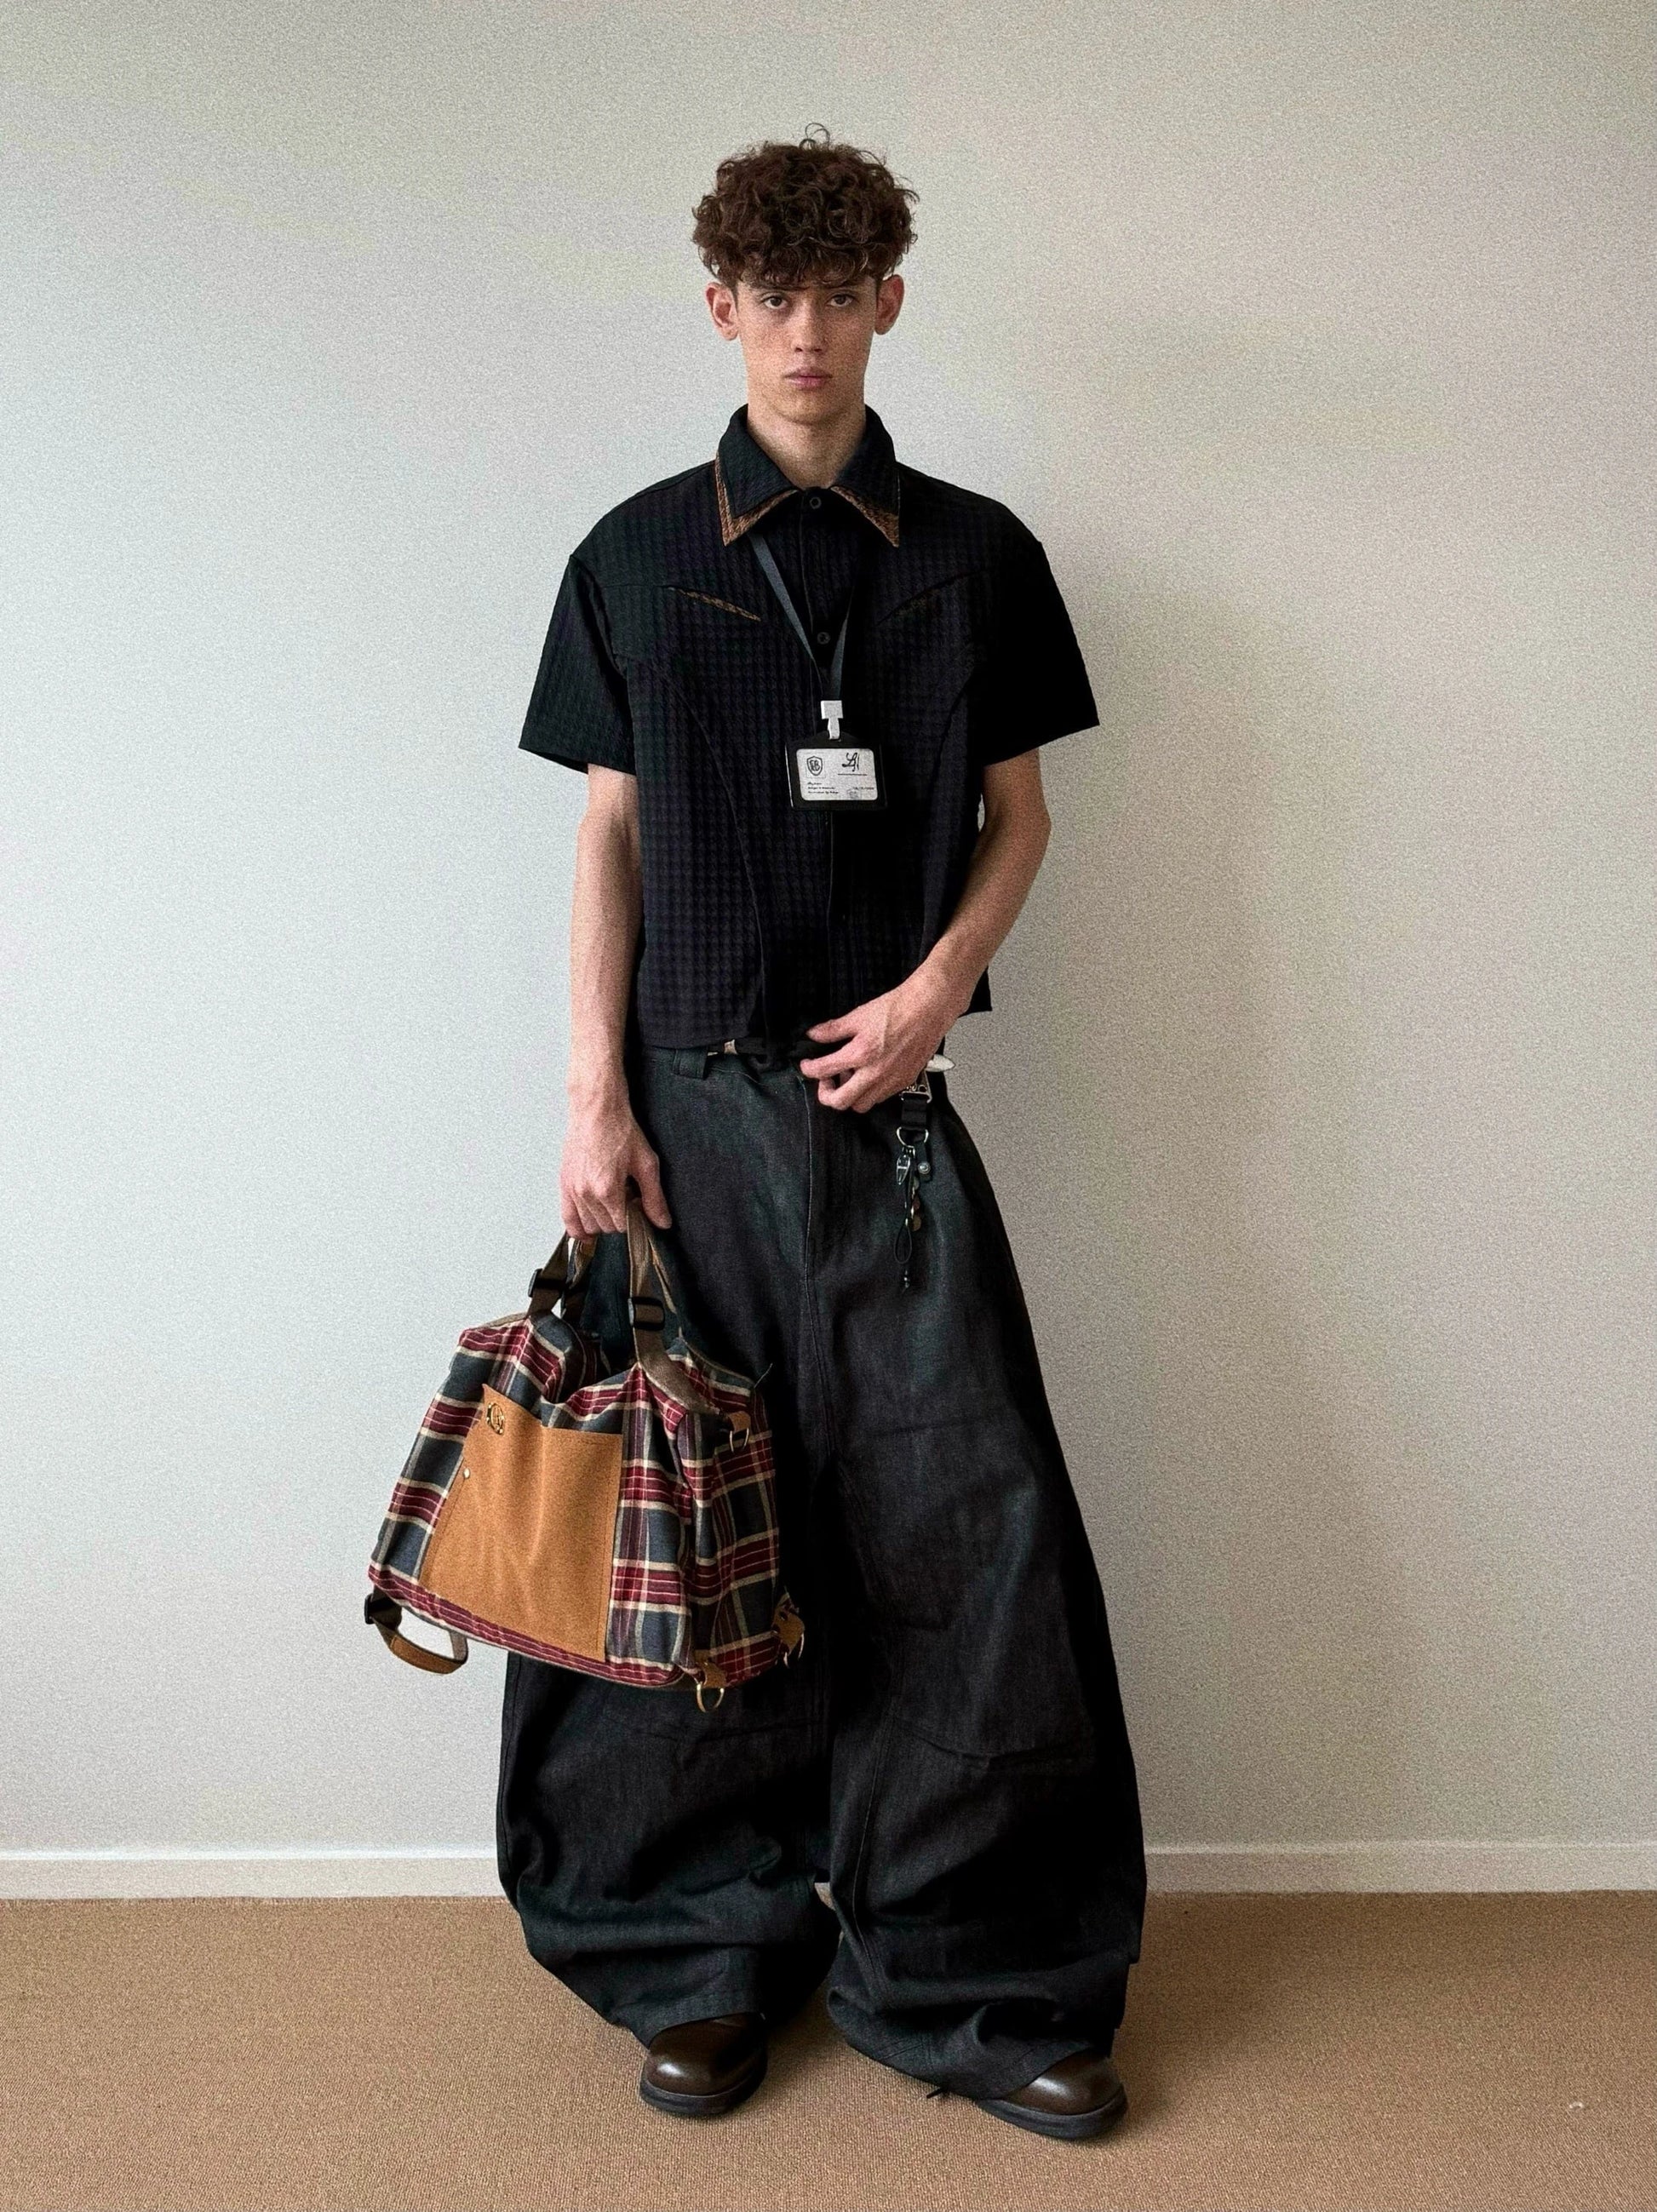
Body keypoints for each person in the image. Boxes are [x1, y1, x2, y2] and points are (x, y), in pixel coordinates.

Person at [496, 128, 1146, 2141]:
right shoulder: (629, 559)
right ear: (722, 308)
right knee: (683, 1544)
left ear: (887, 301)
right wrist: (591, 1095)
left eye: (838, 291)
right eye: (770, 294)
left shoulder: (975, 556)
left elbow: (1022, 814)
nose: (804, 329)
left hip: (891, 1131)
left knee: (971, 1547)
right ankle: (696, 1960)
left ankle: (970, 1971)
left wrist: (940, 984)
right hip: (683, 1135)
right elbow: (606, 835)